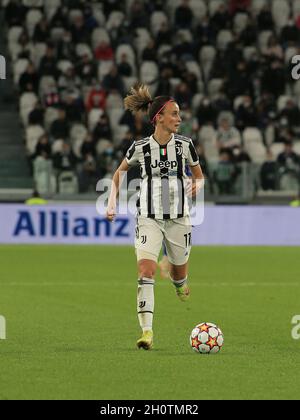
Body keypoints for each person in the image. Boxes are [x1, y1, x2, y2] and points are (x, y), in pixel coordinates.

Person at [106, 84, 204, 350]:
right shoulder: (140, 147)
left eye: (179, 114)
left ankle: (177, 281)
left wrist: (198, 185)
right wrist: (112, 202)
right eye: (174, 114)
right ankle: (146, 332)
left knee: (179, 276)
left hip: (178, 219)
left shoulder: (186, 145)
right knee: (145, 271)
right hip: (148, 218)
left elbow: (199, 175)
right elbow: (118, 174)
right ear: (158, 117)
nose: (179, 119)